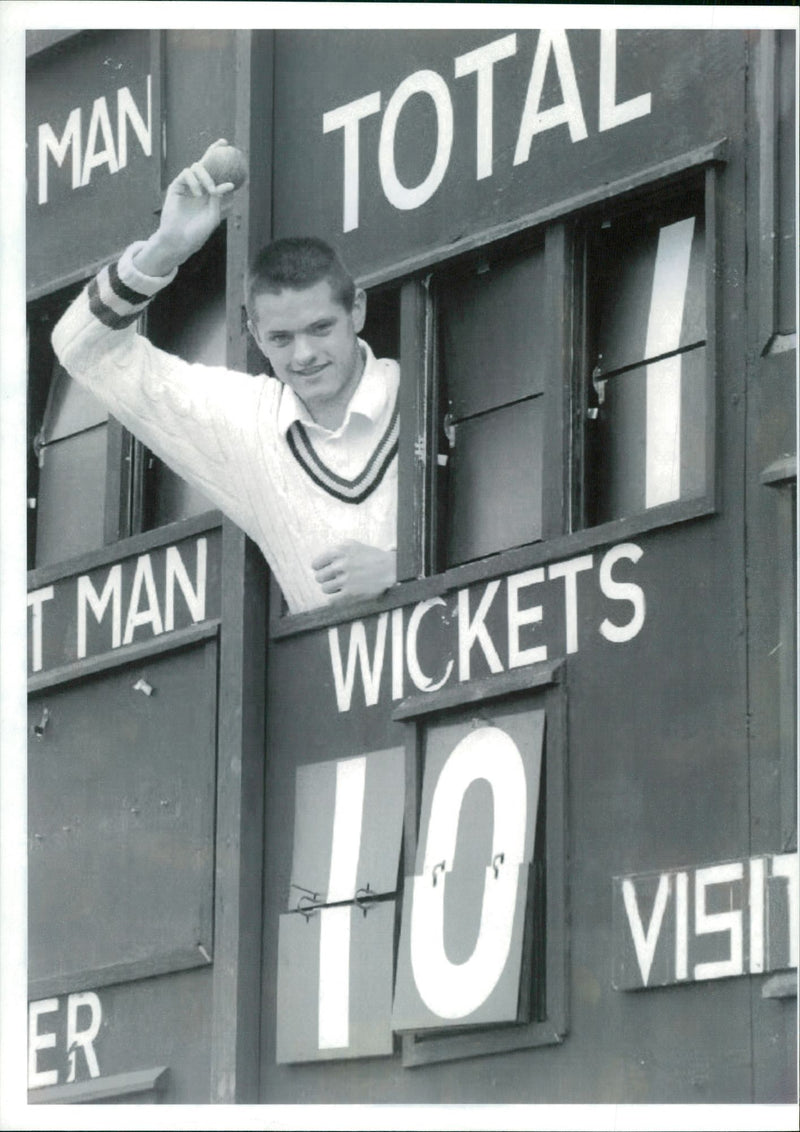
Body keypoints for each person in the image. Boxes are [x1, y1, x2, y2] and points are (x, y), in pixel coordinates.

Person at [51, 140, 398, 614]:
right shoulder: (247, 421)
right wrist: (166, 247)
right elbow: (80, 348)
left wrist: (402, 567)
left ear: (355, 309)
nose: (305, 355)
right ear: (254, 334)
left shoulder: (412, 389)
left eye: (321, 328)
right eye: (280, 338)